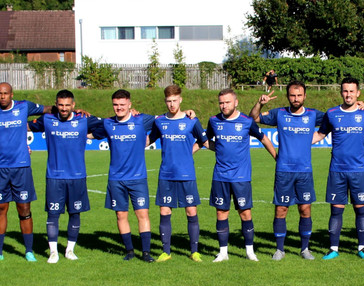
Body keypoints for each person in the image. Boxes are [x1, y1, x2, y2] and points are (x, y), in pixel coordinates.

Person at [0, 82, 49, 262]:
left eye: (6, 93)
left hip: (21, 167)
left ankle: (28, 251)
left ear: (12, 94)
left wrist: (76, 112)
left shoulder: (24, 107)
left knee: (24, 208)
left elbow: (47, 109)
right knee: (0, 208)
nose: (3, 96)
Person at [250, 81, 325, 260]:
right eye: (292, 95)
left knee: (305, 209)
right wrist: (260, 103)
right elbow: (253, 118)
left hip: (305, 171)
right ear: (288, 96)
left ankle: (305, 249)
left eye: (299, 95)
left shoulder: (314, 115)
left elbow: (337, 117)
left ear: (305, 96)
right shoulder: (279, 114)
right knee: (281, 210)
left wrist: (359, 107)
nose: (296, 99)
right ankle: (280, 249)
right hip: (284, 171)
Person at [28, 89, 101, 263]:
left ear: (73, 105)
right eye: (60, 105)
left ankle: (69, 250)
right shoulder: (47, 120)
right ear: (56, 105)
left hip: (77, 176)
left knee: (75, 213)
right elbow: (24, 125)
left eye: (67, 105)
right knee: (53, 214)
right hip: (54, 176)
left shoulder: (83, 120)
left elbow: (108, 126)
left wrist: (89, 134)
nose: (64, 108)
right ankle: (53, 251)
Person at [204, 88, 277, 262]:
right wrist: (218, 148)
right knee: (221, 213)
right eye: (221, 102)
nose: (224, 105)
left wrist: (276, 157)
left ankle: (250, 251)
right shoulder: (214, 121)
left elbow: (264, 138)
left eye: (227, 102)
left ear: (236, 102)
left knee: (245, 213)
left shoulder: (246, 121)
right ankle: (223, 253)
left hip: (241, 177)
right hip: (220, 176)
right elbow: (206, 140)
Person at [88, 89, 157, 262]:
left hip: (138, 178)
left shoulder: (142, 120)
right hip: (116, 179)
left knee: (142, 214)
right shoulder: (107, 124)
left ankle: (146, 253)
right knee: (121, 215)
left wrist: (186, 113)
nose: (119, 108)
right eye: (116, 105)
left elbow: (166, 118)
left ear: (130, 105)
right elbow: (88, 132)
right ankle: (130, 251)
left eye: (122, 105)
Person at [313, 78, 364, 260]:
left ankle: (362, 247)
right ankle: (333, 248)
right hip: (337, 171)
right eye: (345, 91)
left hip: (359, 170)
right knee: (336, 210)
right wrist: (296, 143)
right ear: (341, 93)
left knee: (361, 209)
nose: (348, 94)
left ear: (358, 93)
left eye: (351, 91)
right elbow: (319, 134)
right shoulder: (332, 113)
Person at [149, 84, 206, 262]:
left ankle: (194, 251)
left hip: (186, 174)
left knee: (191, 211)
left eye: (174, 100)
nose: (171, 104)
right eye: (168, 101)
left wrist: (190, 150)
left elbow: (204, 141)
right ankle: (166, 251)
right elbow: (148, 139)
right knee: (165, 212)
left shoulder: (191, 120)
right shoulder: (159, 122)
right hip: (166, 174)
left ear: (180, 99)